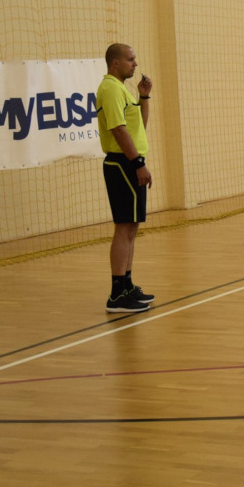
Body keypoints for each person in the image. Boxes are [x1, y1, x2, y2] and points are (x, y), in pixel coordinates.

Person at [96, 43, 156, 313]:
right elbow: (119, 132)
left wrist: (144, 98)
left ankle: (127, 286)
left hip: (130, 162)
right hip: (123, 164)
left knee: (132, 227)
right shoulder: (109, 88)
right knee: (124, 227)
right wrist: (138, 163)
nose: (135, 63)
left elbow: (137, 129)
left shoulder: (123, 89)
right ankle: (116, 293)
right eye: (130, 59)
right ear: (115, 63)